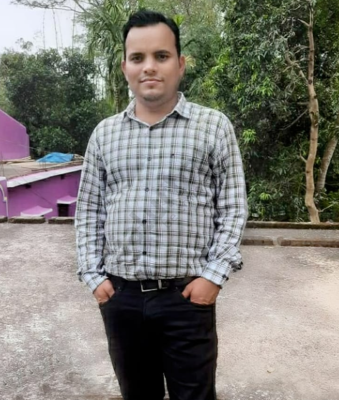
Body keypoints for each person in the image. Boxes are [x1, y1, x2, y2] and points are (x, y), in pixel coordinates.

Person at [75, 9, 247, 400]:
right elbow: (89, 212)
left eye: (161, 56)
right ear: (125, 67)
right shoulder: (104, 135)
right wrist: (94, 278)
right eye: (138, 58)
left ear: (180, 64)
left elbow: (233, 207)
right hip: (121, 298)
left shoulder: (213, 127)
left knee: (194, 395)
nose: (149, 67)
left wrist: (213, 277)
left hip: (186, 298)